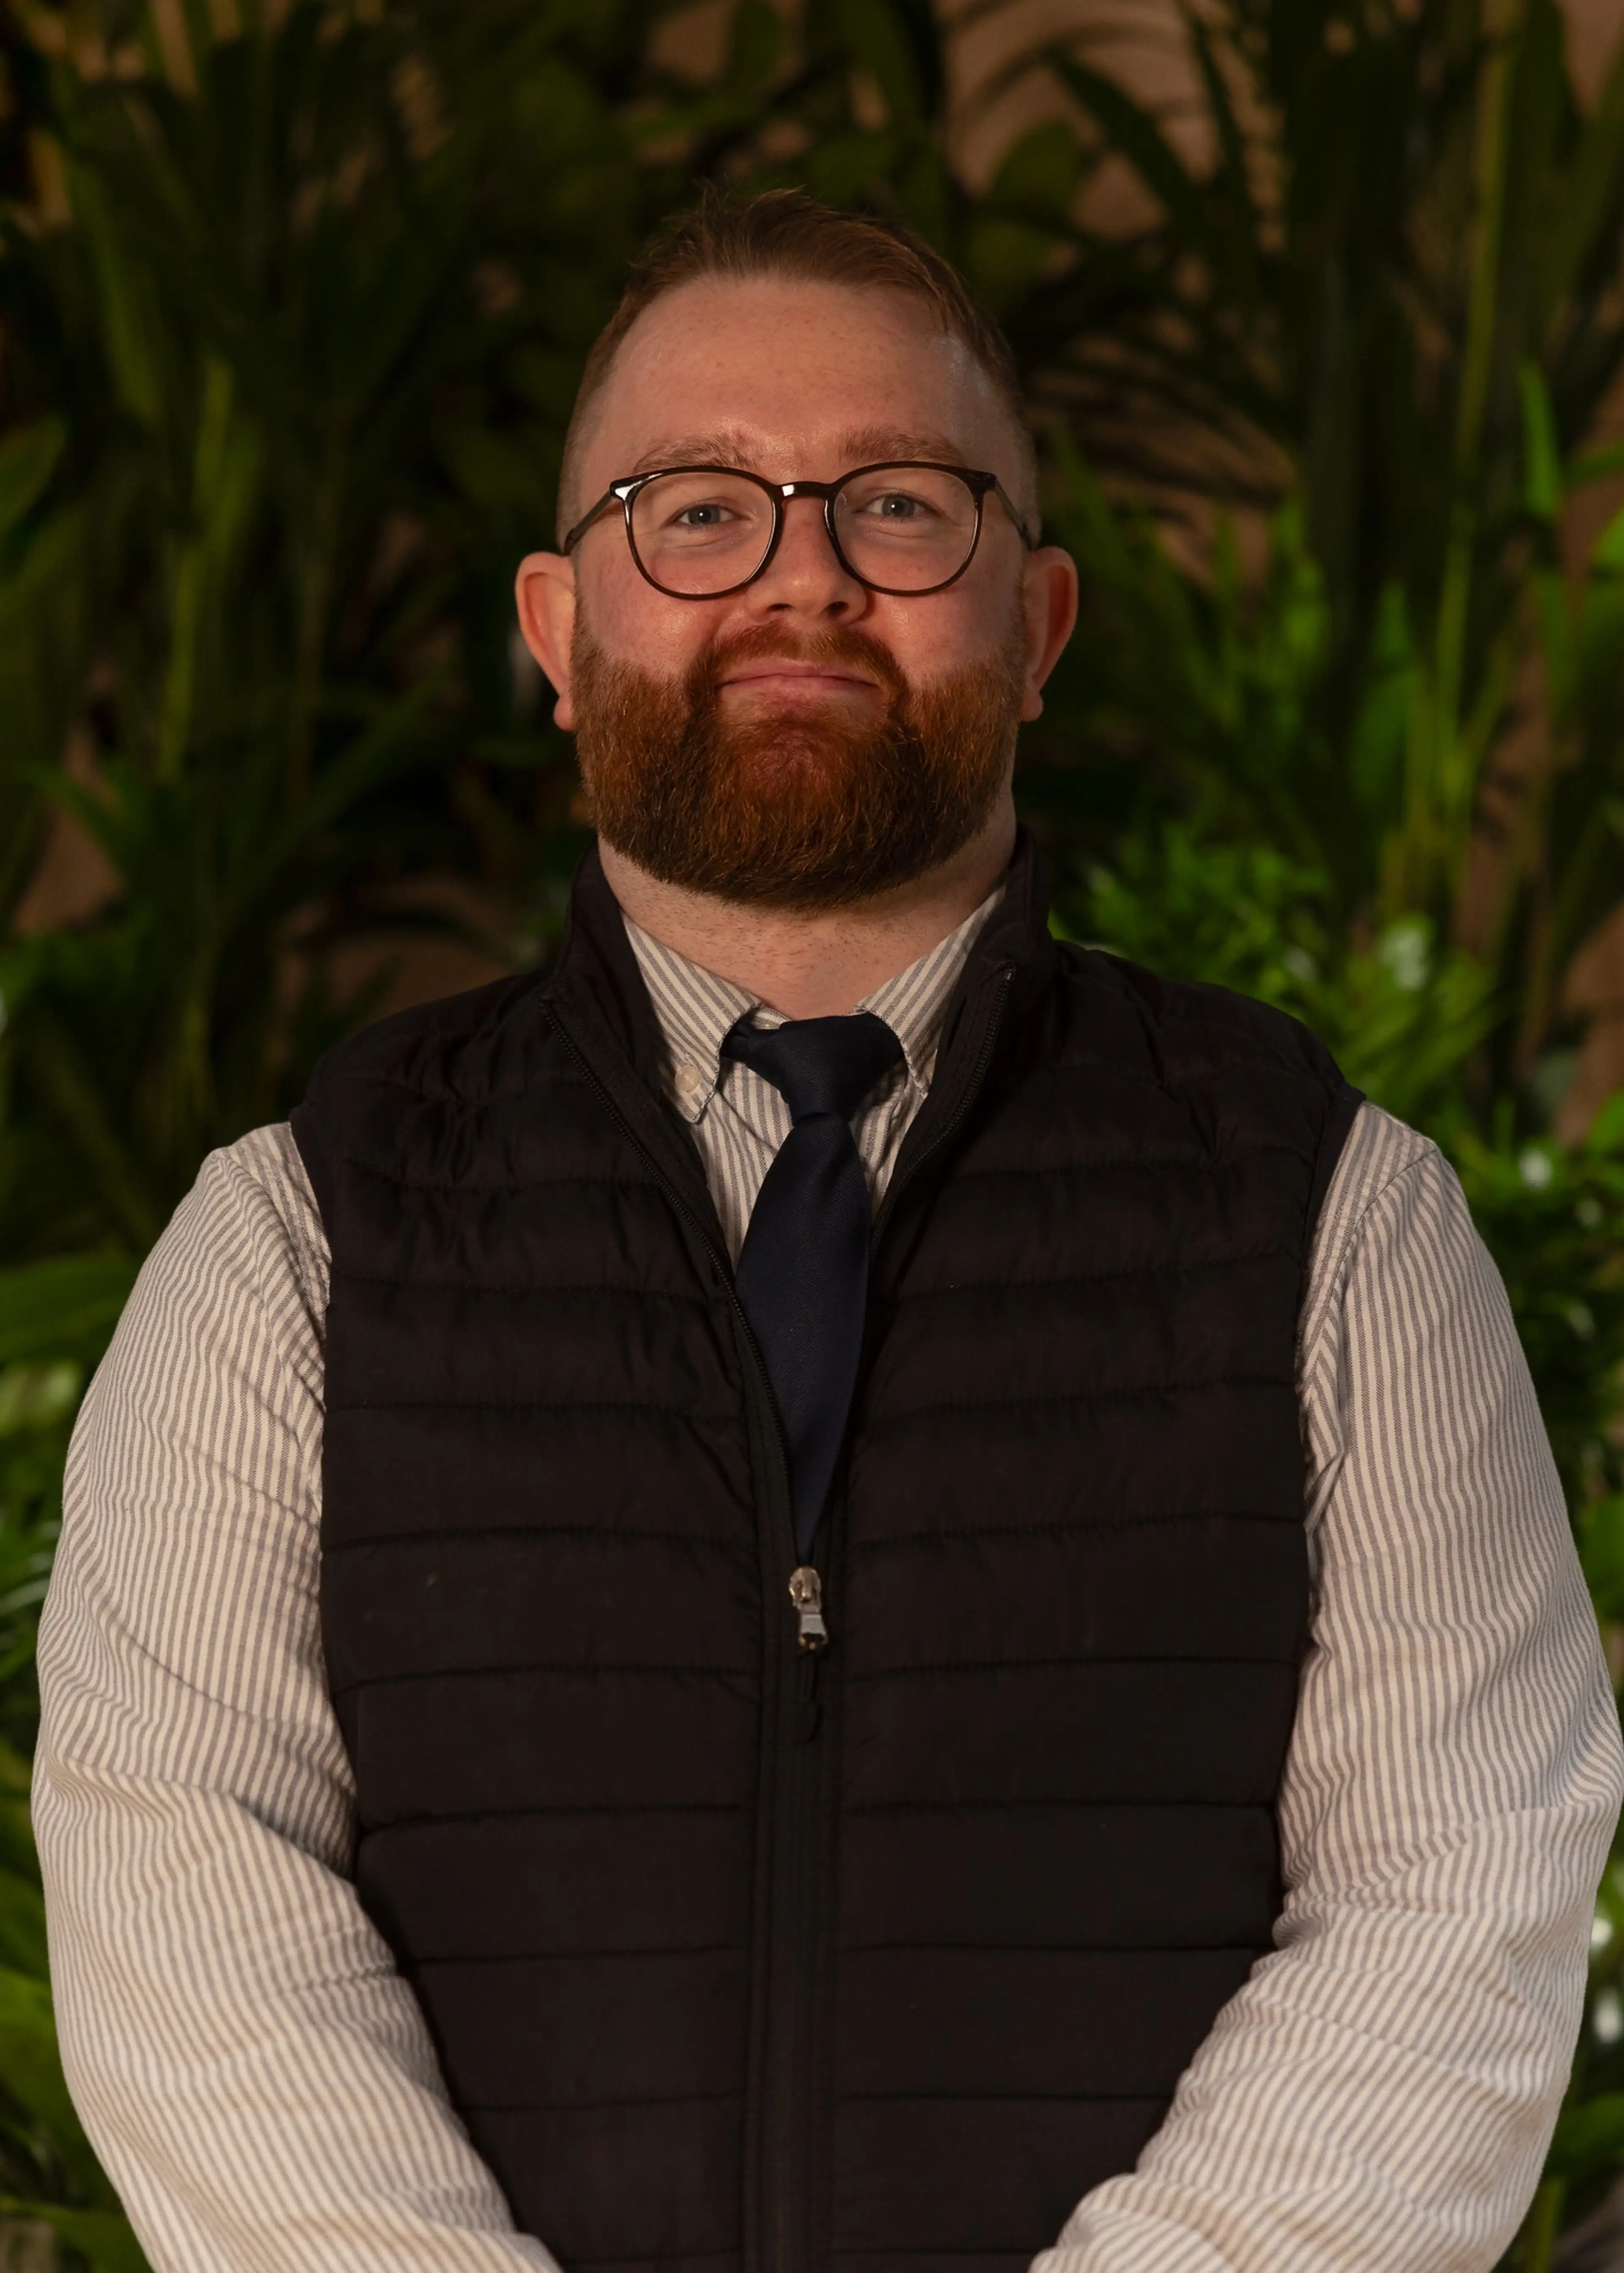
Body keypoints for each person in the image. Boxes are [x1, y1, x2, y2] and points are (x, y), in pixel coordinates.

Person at [32, 190, 1624, 2273]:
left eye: (897, 506)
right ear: (558, 626)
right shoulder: (290, 1241)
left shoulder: (1339, 1214)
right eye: (695, 509)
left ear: (1037, 625)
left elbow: (1456, 1893)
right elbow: (185, 1892)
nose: (800, 578)